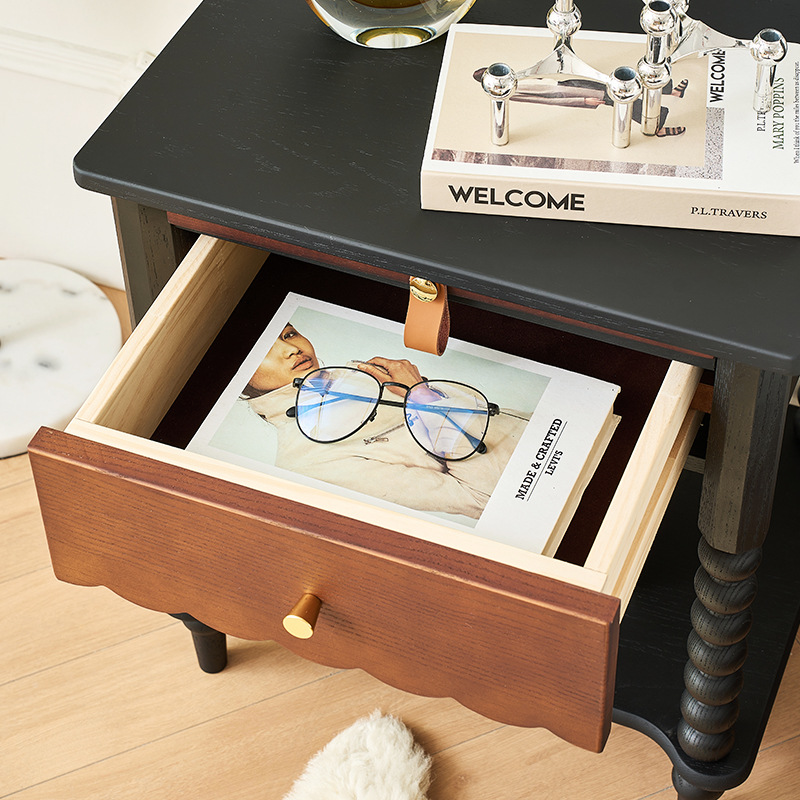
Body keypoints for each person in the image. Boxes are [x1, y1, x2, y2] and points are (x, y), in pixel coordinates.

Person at [240, 323, 529, 521]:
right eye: (263, 350)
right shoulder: (305, 464)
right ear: (240, 380)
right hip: (532, 490)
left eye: (289, 335)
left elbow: (496, 418)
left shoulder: (365, 373)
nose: (292, 349)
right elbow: (481, 498)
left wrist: (421, 389)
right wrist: (421, 398)